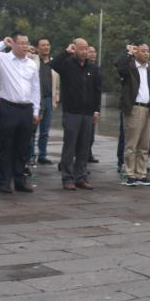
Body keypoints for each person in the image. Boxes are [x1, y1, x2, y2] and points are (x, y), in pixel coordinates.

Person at [0, 34, 41, 194]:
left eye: (26, 43)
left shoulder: (31, 64)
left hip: (26, 108)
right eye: (21, 43)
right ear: (13, 43)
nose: (24, 46)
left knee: (23, 147)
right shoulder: (2, 59)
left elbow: (35, 88)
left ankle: (19, 180)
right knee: (6, 146)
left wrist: (36, 110)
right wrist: (2, 43)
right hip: (8, 107)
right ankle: (4, 182)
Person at [51, 38, 101, 191]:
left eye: (86, 48)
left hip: (88, 113)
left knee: (84, 147)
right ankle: (67, 178)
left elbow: (97, 90)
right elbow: (53, 65)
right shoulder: (67, 64)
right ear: (74, 49)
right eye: (81, 49)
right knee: (70, 146)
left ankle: (81, 177)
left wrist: (96, 109)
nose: (84, 52)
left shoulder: (93, 68)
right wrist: (66, 52)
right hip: (72, 112)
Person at [116, 43, 150, 186]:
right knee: (131, 144)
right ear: (136, 53)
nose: (146, 53)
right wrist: (128, 53)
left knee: (144, 145)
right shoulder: (130, 68)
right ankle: (129, 174)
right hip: (135, 109)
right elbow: (119, 65)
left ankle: (141, 174)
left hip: (149, 110)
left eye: (148, 51)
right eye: (143, 51)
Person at [31, 38, 56, 165]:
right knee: (32, 130)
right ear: (37, 47)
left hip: (48, 99)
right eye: (43, 45)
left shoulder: (53, 62)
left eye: (48, 45)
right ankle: (30, 155)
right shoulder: (33, 60)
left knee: (45, 131)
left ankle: (42, 155)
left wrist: (56, 99)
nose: (46, 47)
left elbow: (56, 83)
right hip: (35, 100)